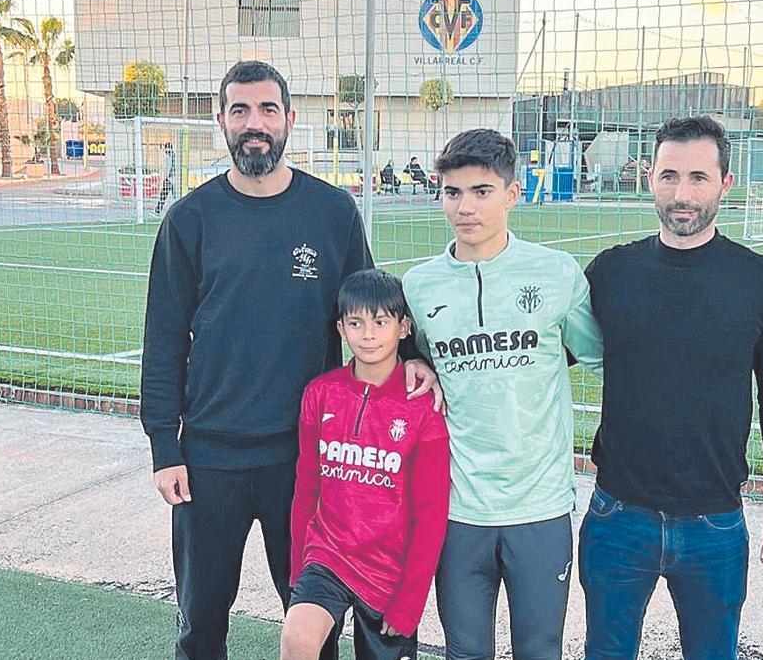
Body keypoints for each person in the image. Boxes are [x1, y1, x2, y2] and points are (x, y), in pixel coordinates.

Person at [140, 60, 440, 660]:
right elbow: (164, 339)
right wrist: (164, 448)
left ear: (290, 120)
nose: (255, 124)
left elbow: (370, 304)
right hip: (209, 458)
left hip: (306, 459)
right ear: (221, 121)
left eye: (268, 110)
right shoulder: (190, 220)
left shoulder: (330, 212)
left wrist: (412, 356)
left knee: (310, 622)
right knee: (201, 622)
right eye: (241, 110)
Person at [580, 115, 763, 660]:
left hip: (714, 523)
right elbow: (538, 353)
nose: (683, 194)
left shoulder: (760, 281)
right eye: (669, 176)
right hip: (617, 517)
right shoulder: (612, 272)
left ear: (726, 183)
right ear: (650, 179)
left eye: (698, 178)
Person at [402, 128, 603, 660]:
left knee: (539, 650)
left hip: (538, 506)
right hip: (457, 508)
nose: (465, 206)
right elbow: (411, 356)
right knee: (465, 652)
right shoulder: (420, 286)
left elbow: (593, 351)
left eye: (482, 191)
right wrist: (417, 360)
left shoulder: (557, 273)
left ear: (512, 194)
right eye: (453, 192)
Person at [281, 269, 450, 660]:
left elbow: (431, 514)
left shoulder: (423, 409)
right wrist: (298, 572)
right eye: (356, 323)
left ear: (404, 327)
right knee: (298, 639)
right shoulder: (321, 394)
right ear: (341, 328)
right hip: (328, 556)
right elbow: (306, 487)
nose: (368, 334)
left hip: (389, 571)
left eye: (380, 322)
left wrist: (410, 603)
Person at [154, 142, 177, 216]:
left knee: (163, 195)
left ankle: (158, 211)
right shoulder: (172, 156)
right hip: (172, 179)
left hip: (170, 179)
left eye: (165, 148)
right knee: (174, 196)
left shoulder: (170, 156)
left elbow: (171, 167)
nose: (164, 150)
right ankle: (158, 210)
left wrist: (168, 176)